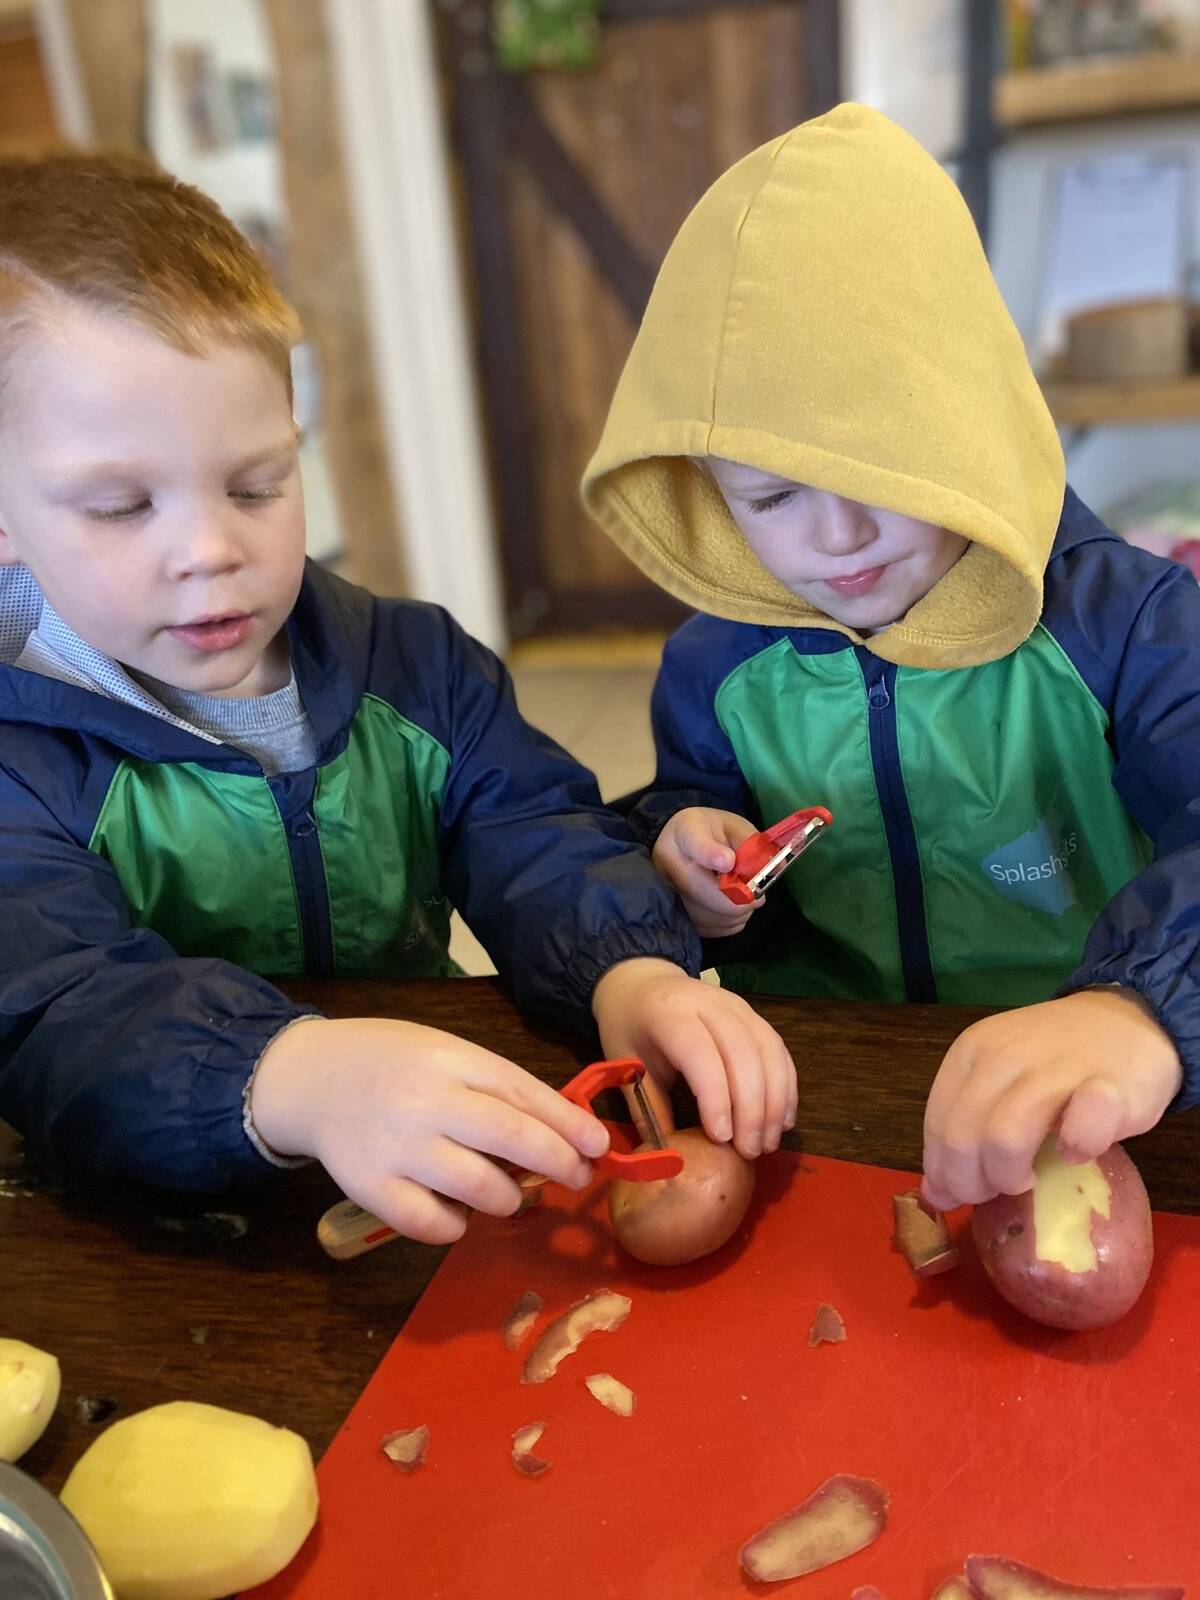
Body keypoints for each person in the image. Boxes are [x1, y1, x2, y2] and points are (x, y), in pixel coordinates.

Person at [0, 152, 796, 1246]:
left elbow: (533, 829)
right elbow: (57, 1015)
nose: (208, 550)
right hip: (187, 1237)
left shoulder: (412, 666)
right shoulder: (15, 760)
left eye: (255, 485)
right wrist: (291, 1074)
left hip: (435, 1190)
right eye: (119, 504)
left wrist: (635, 966)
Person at [580, 103, 1198, 1212]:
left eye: (881, 480)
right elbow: (687, 817)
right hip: (824, 1094)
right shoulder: (715, 667)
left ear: (969, 425)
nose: (836, 539)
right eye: (770, 496)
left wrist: (1138, 1006)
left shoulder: (1128, 622)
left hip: (1087, 1093)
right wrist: (683, 851)